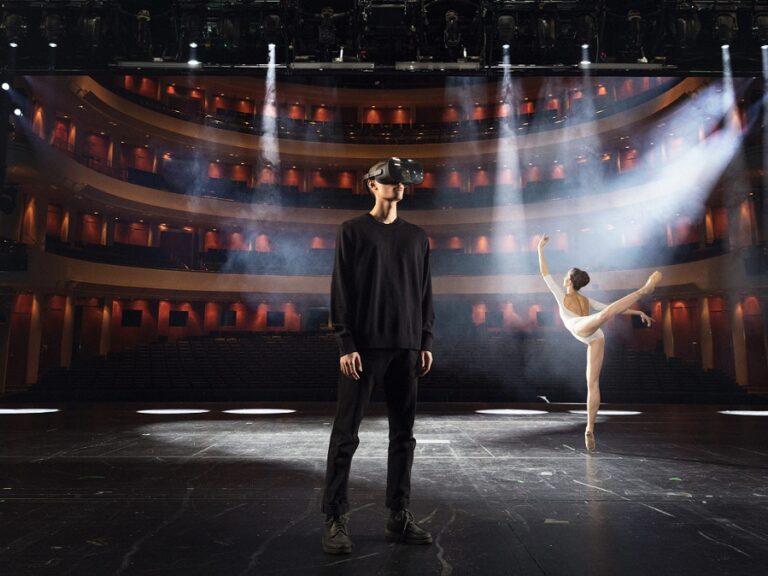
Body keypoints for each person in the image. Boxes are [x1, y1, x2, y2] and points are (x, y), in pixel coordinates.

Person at [321, 158, 435, 555]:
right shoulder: (351, 231)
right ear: (371, 185)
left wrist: (425, 340)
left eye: (402, 182)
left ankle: (397, 515)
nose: (399, 186)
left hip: (406, 347)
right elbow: (341, 289)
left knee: (403, 437)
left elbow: (424, 293)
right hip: (364, 347)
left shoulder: (417, 237)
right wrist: (345, 342)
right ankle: (335, 518)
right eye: (390, 181)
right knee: (345, 436)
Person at [536, 233, 661, 451]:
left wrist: (540, 249)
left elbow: (545, 273)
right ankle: (642, 292)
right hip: (586, 328)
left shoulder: (571, 296)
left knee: (593, 383)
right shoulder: (577, 298)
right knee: (604, 316)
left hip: (589, 333)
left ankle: (589, 429)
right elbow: (609, 309)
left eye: (565, 275)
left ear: (568, 281)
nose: (562, 278)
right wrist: (637, 311)